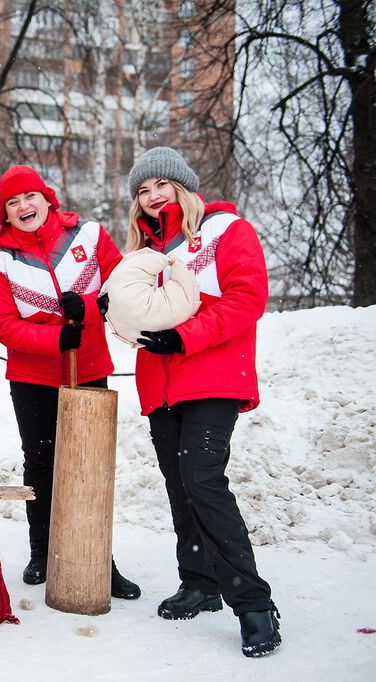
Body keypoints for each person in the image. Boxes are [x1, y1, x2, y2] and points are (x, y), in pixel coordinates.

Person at [125, 147, 280, 657]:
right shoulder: (143, 253)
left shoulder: (226, 231)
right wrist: (115, 310)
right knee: (179, 484)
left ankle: (254, 604)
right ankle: (199, 581)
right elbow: (139, 318)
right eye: (142, 191)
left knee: (204, 480)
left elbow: (247, 298)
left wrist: (185, 338)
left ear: (182, 186)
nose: (151, 198)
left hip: (212, 375)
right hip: (161, 383)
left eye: (160, 186)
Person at [0, 165, 141, 599]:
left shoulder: (88, 235)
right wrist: (55, 337)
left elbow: (123, 285)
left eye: (29, 197)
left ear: (47, 199)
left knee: (89, 466)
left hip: (87, 367)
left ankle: (99, 561)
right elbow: (3, 325)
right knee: (42, 464)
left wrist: (87, 308)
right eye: (12, 203)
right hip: (32, 376)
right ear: (6, 213)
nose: (23, 207)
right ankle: (43, 552)